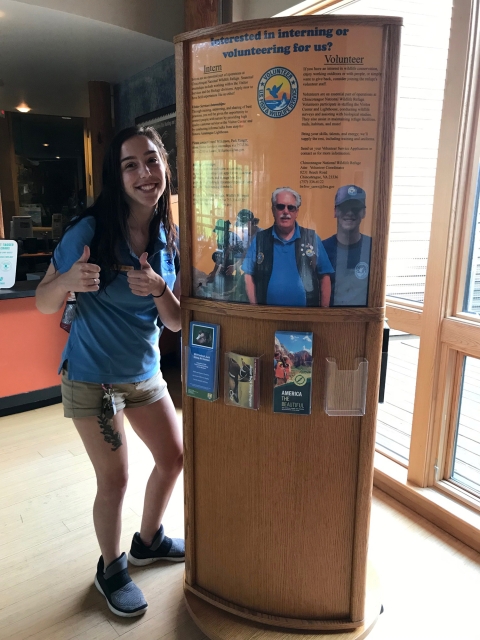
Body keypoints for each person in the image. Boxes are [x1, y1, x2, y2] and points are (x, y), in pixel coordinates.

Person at [36, 126, 184, 618]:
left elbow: (177, 321)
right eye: (130, 165)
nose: (145, 173)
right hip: (91, 376)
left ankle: (148, 541)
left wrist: (160, 287)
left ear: (164, 165)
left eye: (151, 161)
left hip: (144, 373)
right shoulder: (90, 230)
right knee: (115, 478)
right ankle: (111, 567)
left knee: (173, 457)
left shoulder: (167, 235)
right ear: (115, 176)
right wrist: (68, 282)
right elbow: (42, 302)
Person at [242, 188, 333, 306]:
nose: (286, 211)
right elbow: (248, 275)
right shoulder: (260, 239)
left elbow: (325, 276)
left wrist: (323, 313)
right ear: (273, 210)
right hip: (267, 316)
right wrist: (255, 308)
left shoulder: (312, 238)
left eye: (291, 207)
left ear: (297, 212)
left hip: (306, 317)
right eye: (280, 206)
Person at [322, 185, 372, 306]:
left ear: (364, 212)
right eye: (344, 207)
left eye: (355, 208)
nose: (349, 213)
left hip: (362, 321)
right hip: (330, 320)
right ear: (335, 211)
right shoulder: (322, 249)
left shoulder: (373, 248)